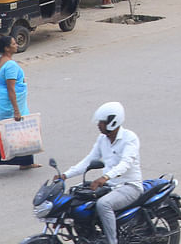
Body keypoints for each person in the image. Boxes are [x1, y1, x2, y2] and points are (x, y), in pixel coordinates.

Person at [60, 103, 142, 244]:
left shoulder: (130, 138)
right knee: (75, 196)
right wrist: (65, 175)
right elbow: (88, 161)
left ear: (112, 122)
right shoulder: (102, 139)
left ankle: (112, 241)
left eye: (102, 122)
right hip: (110, 186)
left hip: (129, 186)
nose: (99, 125)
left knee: (104, 204)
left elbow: (125, 163)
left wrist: (105, 177)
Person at [0, 35, 38, 169]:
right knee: (18, 132)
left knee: (16, 133)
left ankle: (26, 162)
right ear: (7, 48)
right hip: (9, 105)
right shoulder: (10, 66)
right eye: (14, 44)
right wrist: (16, 110)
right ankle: (21, 161)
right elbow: (11, 90)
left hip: (0, 104)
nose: (16, 45)